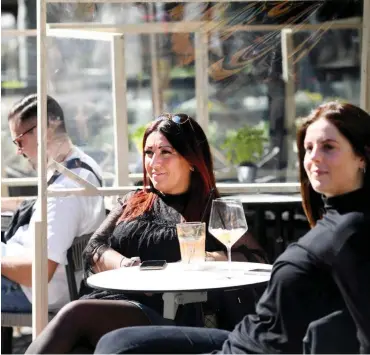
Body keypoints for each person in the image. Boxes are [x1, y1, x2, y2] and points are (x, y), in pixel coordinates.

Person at [94, 101, 370, 354]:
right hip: (244, 337)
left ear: (362, 156)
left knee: (116, 345)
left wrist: (214, 256)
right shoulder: (334, 222)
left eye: (328, 147)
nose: (314, 158)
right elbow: (95, 247)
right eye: (308, 148)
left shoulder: (354, 230)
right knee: (113, 341)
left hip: (250, 346)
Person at [25, 113, 265, 354]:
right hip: (110, 301)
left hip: (166, 311)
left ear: (191, 159)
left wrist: (212, 258)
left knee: (74, 314)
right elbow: (94, 248)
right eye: (149, 153)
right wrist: (125, 265)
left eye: (165, 152)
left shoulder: (208, 210)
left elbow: (255, 258)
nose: (153, 162)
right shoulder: (134, 199)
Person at [1, 94, 106, 313]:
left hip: (37, 292)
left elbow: (38, 274)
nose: (18, 151)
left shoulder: (64, 192)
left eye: (19, 141)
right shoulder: (81, 166)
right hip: (63, 283)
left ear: (42, 132)